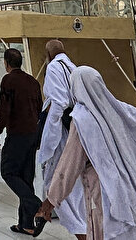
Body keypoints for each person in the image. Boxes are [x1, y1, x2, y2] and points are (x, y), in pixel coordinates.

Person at [36, 66, 136, 240]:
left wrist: (50, 202)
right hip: (131, 190)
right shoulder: (117, 110)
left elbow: (69, 167)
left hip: (104, 195)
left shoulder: (82, 119)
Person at [36, 40, 87, 239]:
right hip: (76, 130)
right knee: (69, 185)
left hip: (62, 133)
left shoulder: (54, 68)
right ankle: (45, 211)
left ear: (48, 55)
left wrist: (50, 137)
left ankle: (80, 231)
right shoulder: (73, 68)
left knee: (58, 183)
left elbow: (58, 103)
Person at [0, 48, 44, 235]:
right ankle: (26, 224)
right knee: (26, 177)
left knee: (8, 171)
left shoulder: (8, 80)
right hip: (32, 134)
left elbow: (4, 110)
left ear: (6, 63)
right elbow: (40, 109)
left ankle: (38, 205)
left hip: (17, 134)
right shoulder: (32, 82)